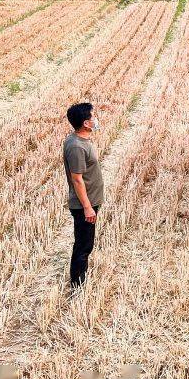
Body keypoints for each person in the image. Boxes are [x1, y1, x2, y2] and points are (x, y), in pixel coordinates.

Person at [63, 102, 104, 288]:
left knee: (85, 242)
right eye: (93, 117)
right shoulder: (77, 147)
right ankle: (78, 284)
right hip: (83, 205)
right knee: (83, 245)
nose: (95, 119)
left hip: (90, 201)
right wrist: (88, 208)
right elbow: (77, 179)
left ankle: (80, 278)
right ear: (86, 123)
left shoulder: (81, 141)